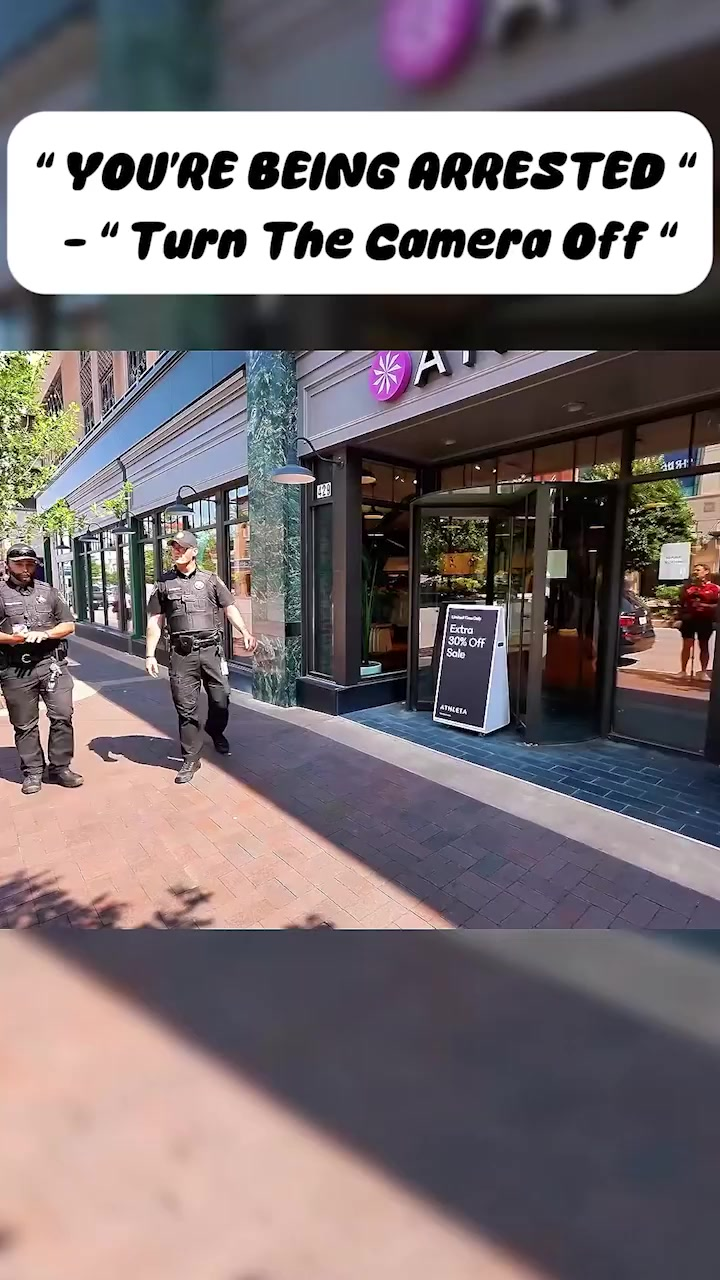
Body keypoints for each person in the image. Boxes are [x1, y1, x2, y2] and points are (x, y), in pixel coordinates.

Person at [145, 530, 256, 784]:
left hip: (211, 651)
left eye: (182, 548)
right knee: (186, 708)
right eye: (174, 547)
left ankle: (215, 731)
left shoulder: (210, 580)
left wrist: (245, 632)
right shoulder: (163, 584)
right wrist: (149, 654)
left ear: (194, 551)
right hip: (181, 654)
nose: (176, 551)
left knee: (221, 699)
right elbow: (155, 621)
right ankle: (190, 758)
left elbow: (229, 608)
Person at [0, 545, 83, 795]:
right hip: (15, 669)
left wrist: (47, 634)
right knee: (25, 724)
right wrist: (10, 639)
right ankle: (33, 771)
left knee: (62, 715)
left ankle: (60, 768)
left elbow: (68, 625)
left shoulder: (49, 592)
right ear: (8, 565)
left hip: (51, 664)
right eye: (19, 564)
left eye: (30, 564)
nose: (25, 569)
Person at [677, 562, 720, 680]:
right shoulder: (687, 588)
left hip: (705, 620)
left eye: (698, 570)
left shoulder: (714, 588)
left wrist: (704, 605)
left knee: (704, 645)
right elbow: (681, 603)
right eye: (694, 570)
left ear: (706, 572)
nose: (695, 572)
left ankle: (703, 671)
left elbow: (717, 605)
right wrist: (679, 617)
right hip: (689, 619)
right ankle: (683, 671)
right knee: (687, 644)